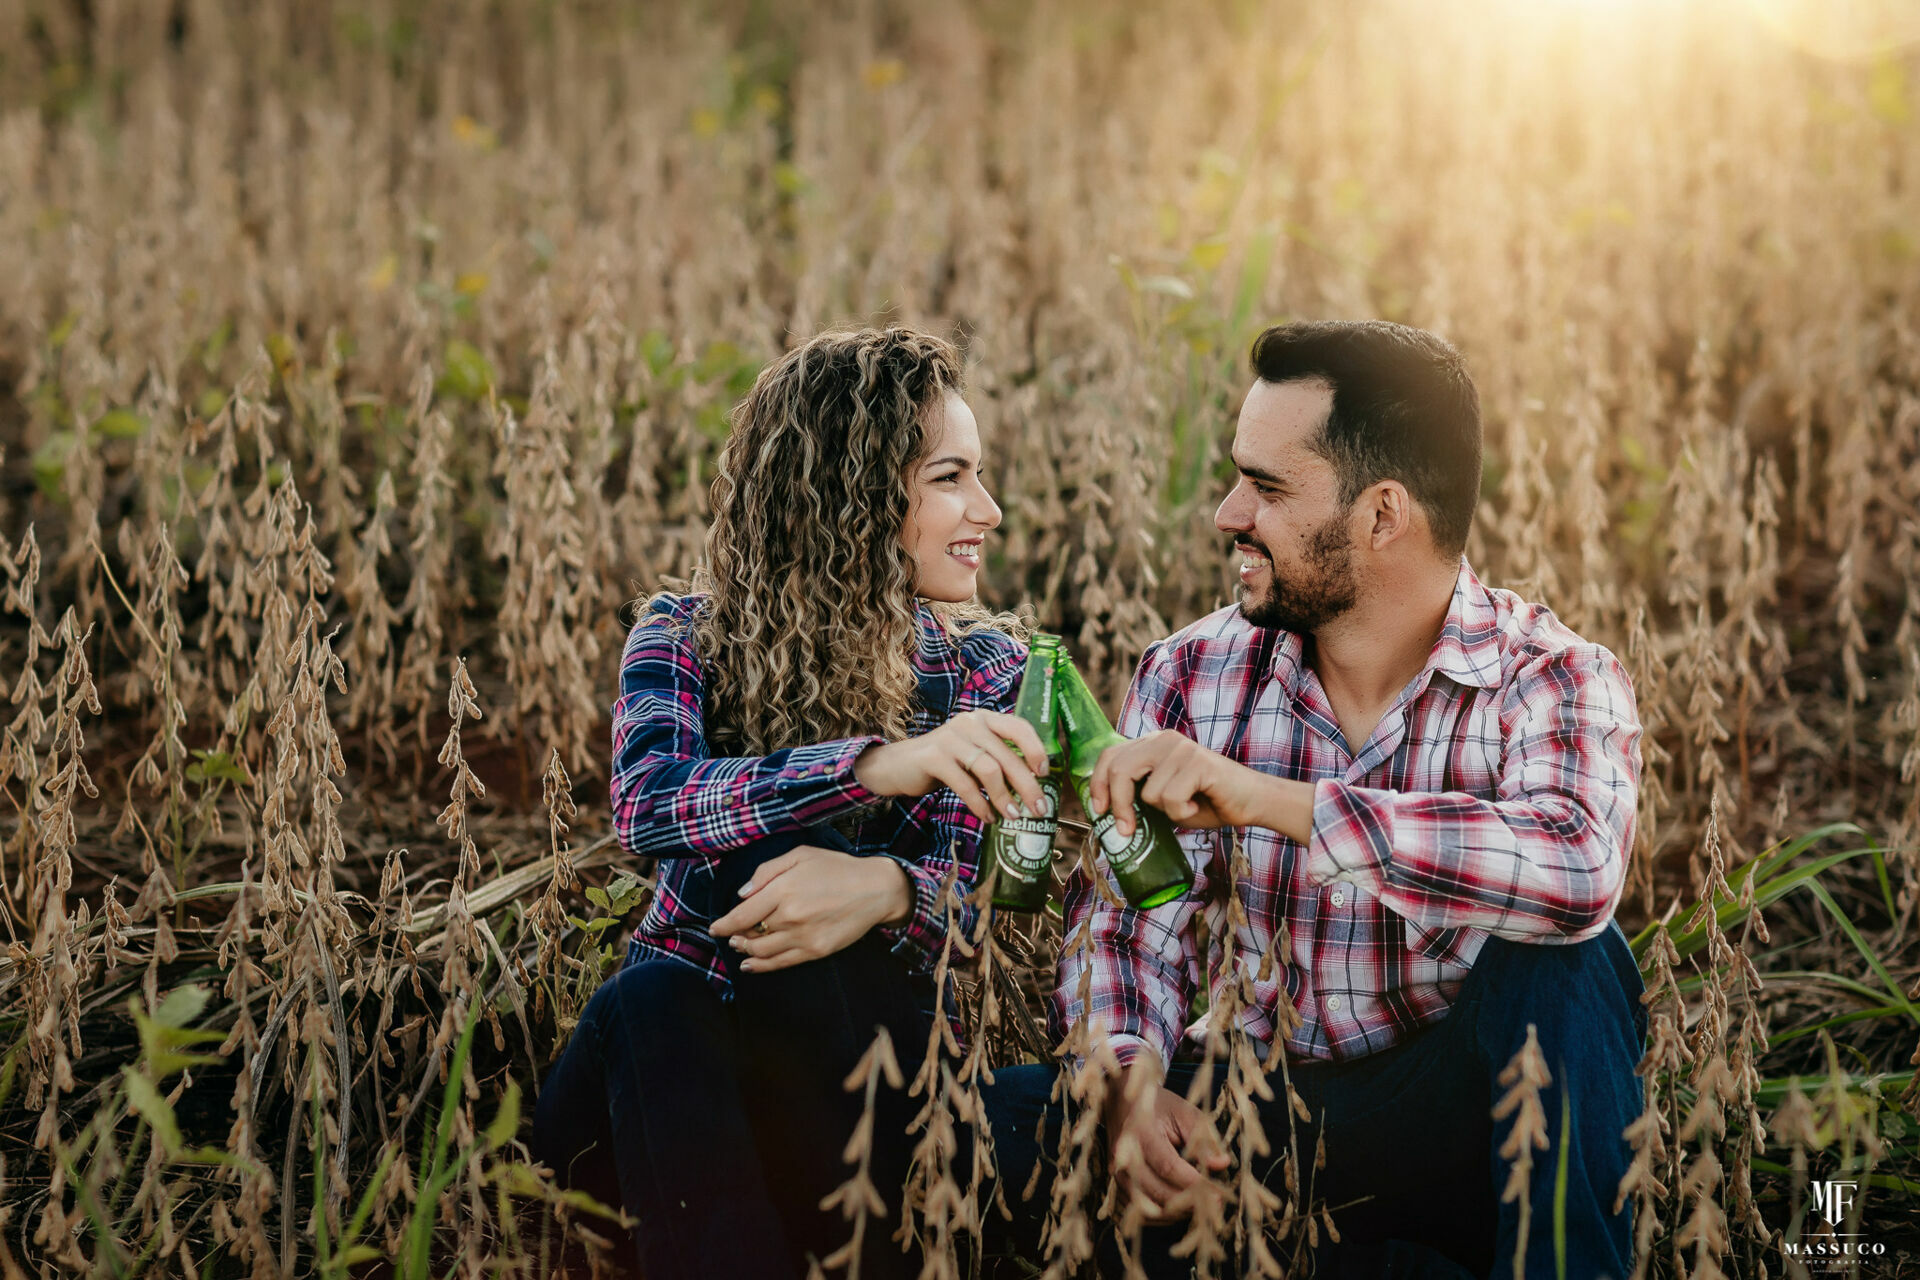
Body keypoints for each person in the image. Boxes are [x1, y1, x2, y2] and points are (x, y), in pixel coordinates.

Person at [986, 320, 1647, 1279]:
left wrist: (1274, 802)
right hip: (1251, 1116)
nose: (1225, 513)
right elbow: (1126, 932)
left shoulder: (1551, 679)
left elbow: (1578, 869)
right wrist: (1128, 1079)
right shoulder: (1192, 670)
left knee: (1572, 963)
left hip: (1462, 1123)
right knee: (960, 1125)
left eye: (1266, 487)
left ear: (1384, 515)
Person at [530, 326, 1052, 1280]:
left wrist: (888, 890)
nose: (990, 508)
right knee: (654, 997)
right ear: (855, 497)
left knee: (844, 969)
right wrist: (875, 768)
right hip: (663, 1087)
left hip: (840, 1082)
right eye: (950, 478)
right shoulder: (684, 635)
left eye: (979, 477)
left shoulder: (989, 666)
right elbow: (648, 805)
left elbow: (975, 904)